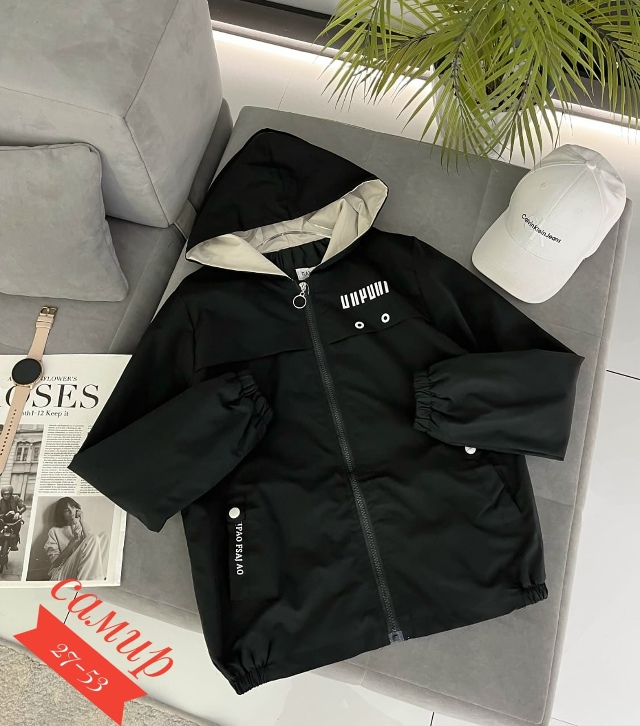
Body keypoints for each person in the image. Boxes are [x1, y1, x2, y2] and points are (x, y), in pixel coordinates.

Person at [44, 497, 109, 581]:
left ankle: (98, 577)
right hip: (62, 572)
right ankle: (92, 581)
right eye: (66, 510)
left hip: (81, 568)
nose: (72, 512)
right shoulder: (54, 531)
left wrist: (81, 522)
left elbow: (92, 545)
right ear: (61, 514)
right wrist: (73, 540)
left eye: (73, 507)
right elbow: (55, 563)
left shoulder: (82, 526)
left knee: (105, 536)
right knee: (93, 538)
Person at [0, 484, 27, 551]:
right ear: (2, 494)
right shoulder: (0, 501)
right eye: (4, 494)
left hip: (14, 519)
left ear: (11, 494)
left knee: (17, 528)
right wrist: (5, 515)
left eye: (8, 494)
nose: (6, 496)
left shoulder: (16, 498)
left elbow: (23, 507)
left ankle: (14, 543)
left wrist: (18, 512)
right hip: (4, 519)